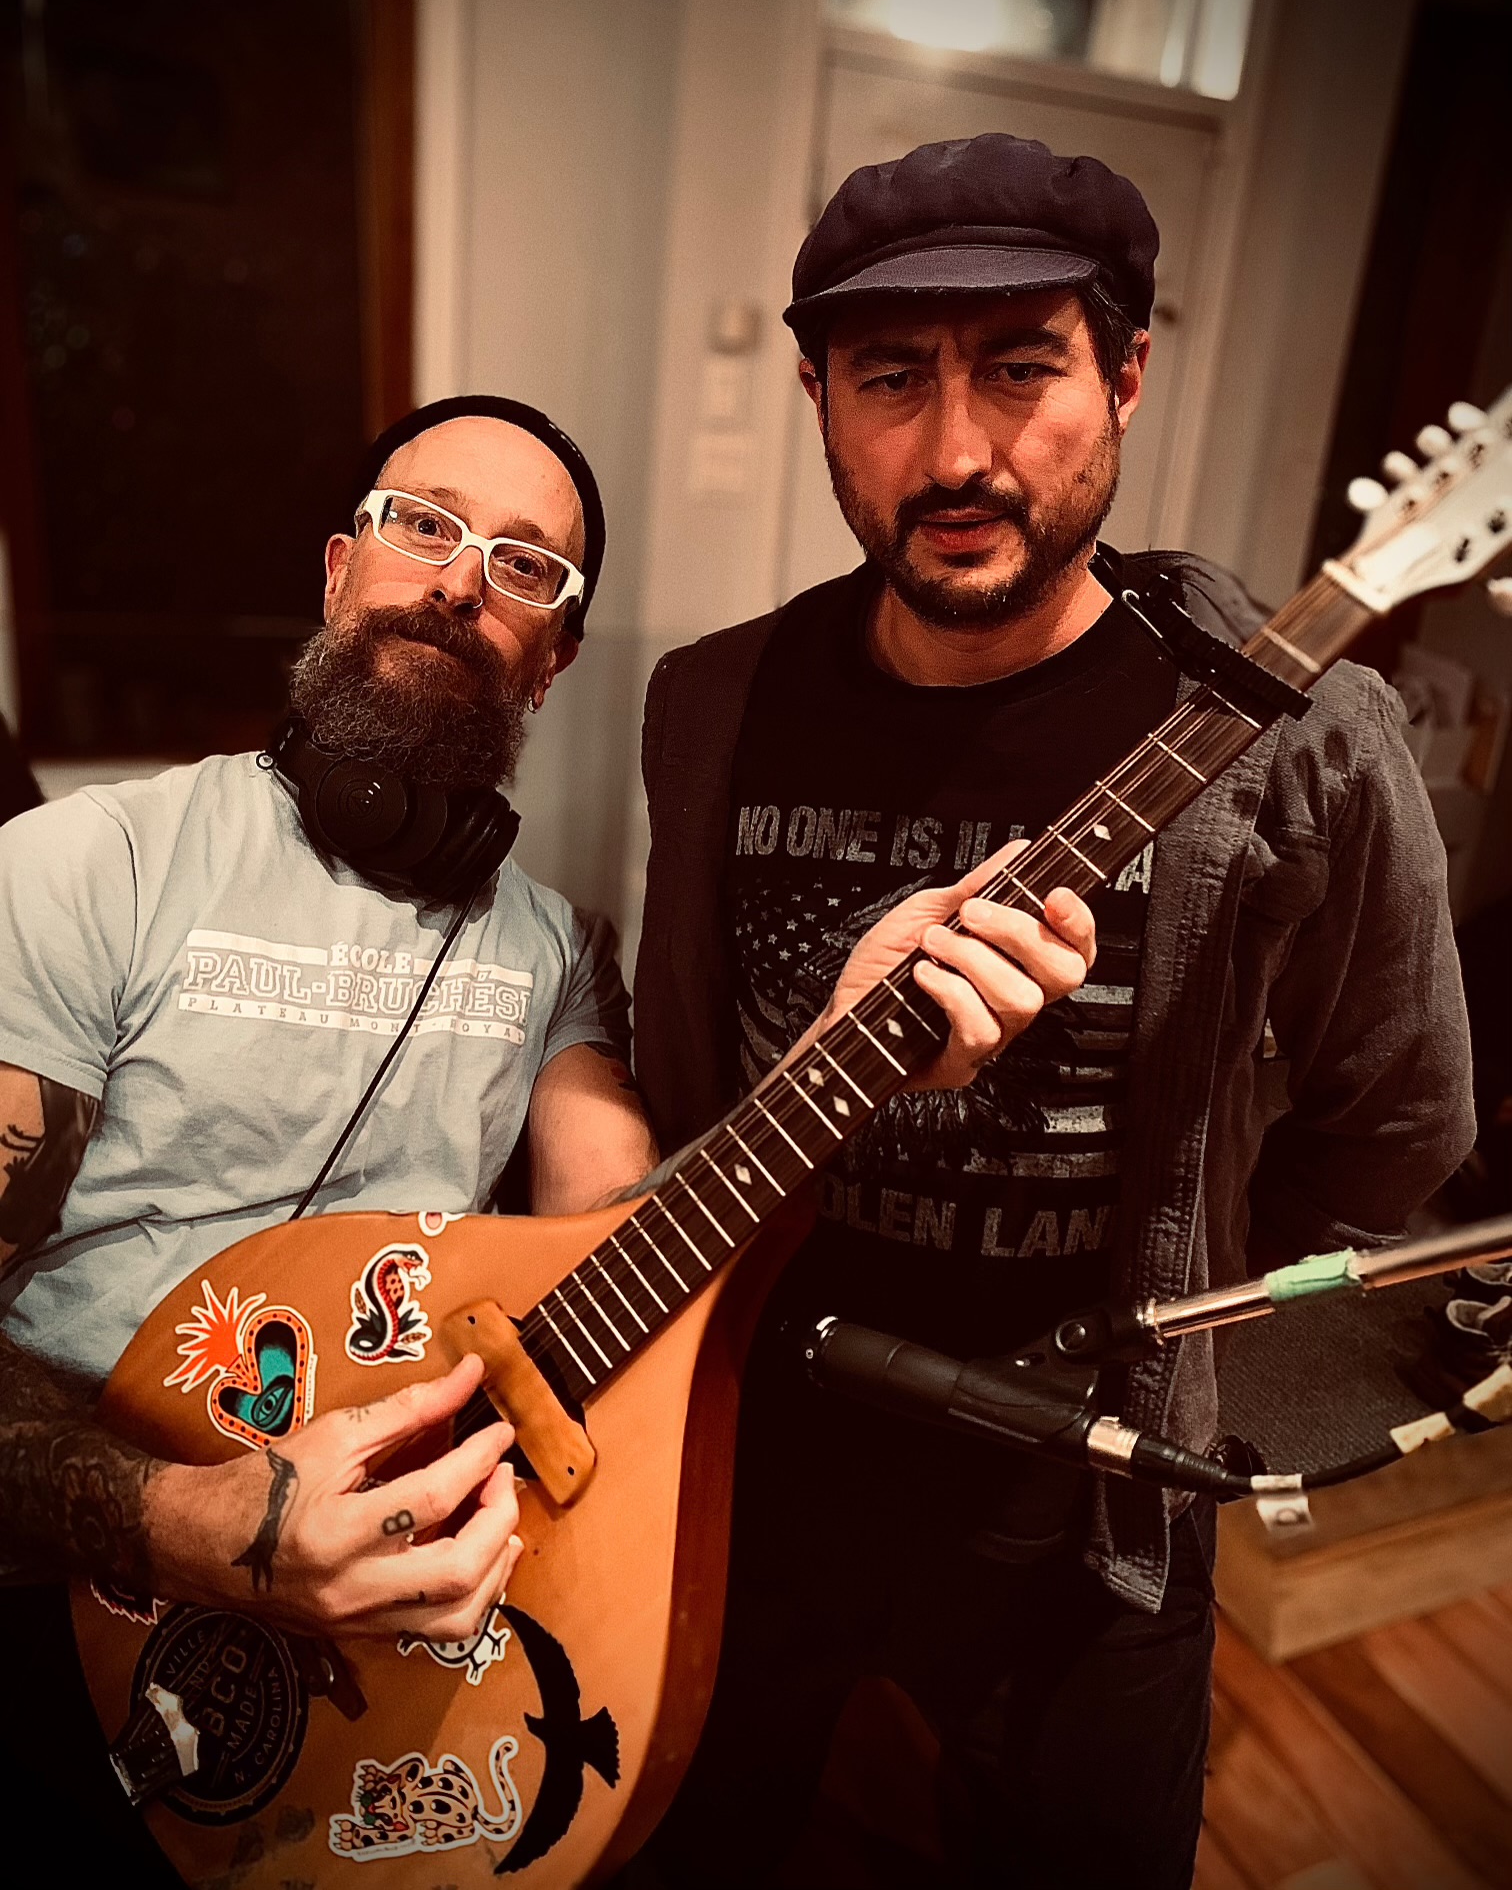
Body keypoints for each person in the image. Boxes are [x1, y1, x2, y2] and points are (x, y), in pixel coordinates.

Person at [0, 391, 1091, 1886]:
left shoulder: (556, 953)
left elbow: (627, 1241)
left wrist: (844, 1052)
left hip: (386, 1612)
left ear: (557, 653)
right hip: (63, 1572)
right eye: (425, 526)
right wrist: (188, 1524)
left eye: (526, 565)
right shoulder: (90, 866)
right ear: (340, 567)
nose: (462, 581)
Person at [630, 135, 1476, 1888]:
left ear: (1127, 378)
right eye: (890, 380)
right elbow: (680, 1072)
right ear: (816, 398)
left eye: (1022, 369)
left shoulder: (1298, 735)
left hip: (1088, 1495)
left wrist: (1190, 1310)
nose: (957, 453)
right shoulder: (711, 702)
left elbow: (1399, 1118)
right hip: (739, 1449)